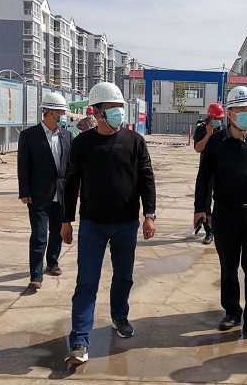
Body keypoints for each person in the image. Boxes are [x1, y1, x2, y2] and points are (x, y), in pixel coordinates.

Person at [61, 82, 157, 365]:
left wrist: (150, 214)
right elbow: (71, 184)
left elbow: (147, 179)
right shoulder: (82, 144)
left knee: (124, 277)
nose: (119, 112)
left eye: (120, 107)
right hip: (92, 224)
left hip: (126, 224)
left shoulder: (134, 141)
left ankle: (120, 316)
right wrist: (66, 220)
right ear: (98, 112)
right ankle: (79, 340)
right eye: (113, 108)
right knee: (87, 282)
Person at [193, 86, 247, 341]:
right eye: (242, 110)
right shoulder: (216, 142)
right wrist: (201, 209)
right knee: (228, 266)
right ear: (229, 114)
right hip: (225, 214)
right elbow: (204, 177)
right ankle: (232, 311)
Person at [17, 93, 71, 290]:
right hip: (38, 195)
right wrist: (24, 191)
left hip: (61, 194)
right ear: (50, 112)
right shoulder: (29, 136)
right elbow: (23, 166)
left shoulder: (66, 136)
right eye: (61, 112)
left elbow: (70, 165)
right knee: (39, 235)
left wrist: (74, 188)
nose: (63, 116)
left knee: (57, 232)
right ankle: (36, 275)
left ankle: (53, 262)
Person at [193, 103, 226, 245]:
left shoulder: (225, 130)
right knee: (205, 201)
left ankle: (219, 228)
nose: (218, 121)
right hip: (207, 170)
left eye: (220, 118)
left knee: (222, 200)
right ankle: (209, 231)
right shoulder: (201, 129)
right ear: (209, 117)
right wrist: (208, 135)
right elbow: (198, 148)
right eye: (215, 118)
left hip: (222, 171)